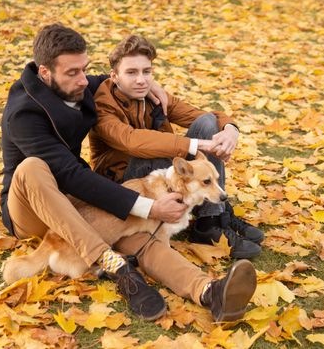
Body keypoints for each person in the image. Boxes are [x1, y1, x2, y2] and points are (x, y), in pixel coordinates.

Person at [1, 23, 257, 322]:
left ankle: (209, 291)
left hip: (75, 201)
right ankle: (115, 265)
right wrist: (149, 205)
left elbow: (117, 80)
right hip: (32, 206)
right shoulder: (23, 113)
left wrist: (152, 86)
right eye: (73, 73)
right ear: (45, 73)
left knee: (138, 232)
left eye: (85, 69)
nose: (84, 80)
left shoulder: (78, 83)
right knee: (32, 167)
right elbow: (70, 173)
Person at [90, 35, 264, 260]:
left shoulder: (152, 95)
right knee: (148, 152)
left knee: (208, 125)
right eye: (131, 72)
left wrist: (230, 128)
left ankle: (211, 219)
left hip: (160, 176)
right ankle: (210, 217)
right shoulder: (102, 105)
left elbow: (203, 117)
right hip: (126, 183)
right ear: (114, 76)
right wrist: (195, 145)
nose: (141, 80)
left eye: (147, 72)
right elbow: (132, 141)